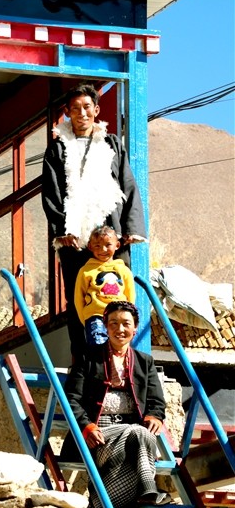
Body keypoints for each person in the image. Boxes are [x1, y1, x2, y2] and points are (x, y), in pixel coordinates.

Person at [41, 83, 147, 359]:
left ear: (96, 110)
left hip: (112, 238)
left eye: (87, 107)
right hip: (75, 240)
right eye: (75, 108)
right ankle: (84, 362)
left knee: (119, 299)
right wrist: (63, 230)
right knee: (80, 301)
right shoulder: (57, 149)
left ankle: (120, 361)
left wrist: (131, 229)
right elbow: (51, 193)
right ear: (67, 113)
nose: (82, 113)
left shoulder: (111, 143)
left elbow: (128, 185)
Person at [63, 301, 170, 508]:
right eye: (113, 323)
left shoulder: (144, 362)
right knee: (138, 433)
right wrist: (86, 427)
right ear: (105, 326)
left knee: (138, 433)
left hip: (131, 437)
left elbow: (157, 402)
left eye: (125, 324)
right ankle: (147, 488)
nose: (119, 329)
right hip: (96, 435)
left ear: (135, 328)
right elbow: (71, 400)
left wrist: (155, 416)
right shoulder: (87, 357)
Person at [74, 225, 135, 345]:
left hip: (118, 316)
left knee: (117, 346)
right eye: (97, 246)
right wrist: (85, 319)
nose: (103, 249)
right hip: (95, 316)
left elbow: (130, 295)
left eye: (108, 245)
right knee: (98, 346)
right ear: (90, 247)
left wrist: (129, 315)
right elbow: (78, 297)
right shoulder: (86, 271)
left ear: (117, 245)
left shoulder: (123, 270)